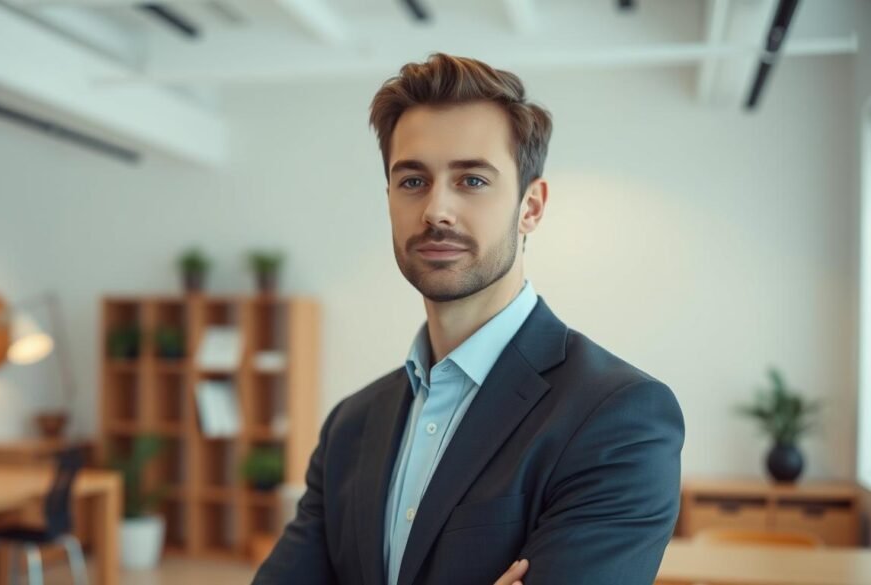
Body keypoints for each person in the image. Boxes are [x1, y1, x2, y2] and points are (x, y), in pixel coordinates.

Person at [253, 53, 684, 585]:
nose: (437, 210)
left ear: (531, 206)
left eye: (472, 180)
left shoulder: (619, 418)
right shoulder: (350, 425)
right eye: (412, 181)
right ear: (388, 196)